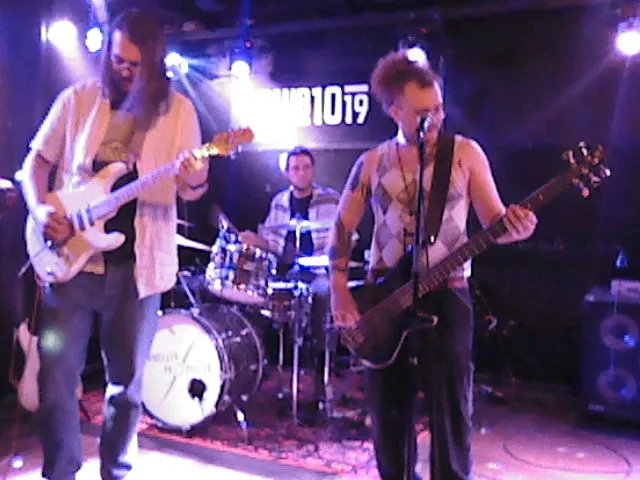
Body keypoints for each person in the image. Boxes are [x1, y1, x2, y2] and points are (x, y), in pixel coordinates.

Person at [328, 50, 537, 480]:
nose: (435, 119)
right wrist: (339, 289)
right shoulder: (372, 162)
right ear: (395, 111)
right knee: (389, 411)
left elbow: (494, 220)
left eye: (439, 109)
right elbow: (343, 225)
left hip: (448, 293)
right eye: (424, 113)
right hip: (385, 295)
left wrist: (516, 227)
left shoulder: (465, 154)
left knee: (450, 409)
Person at [20, 9, 209, 480]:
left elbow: (192, 189)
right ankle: (60, 471)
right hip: (71, 266)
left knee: (126, 388)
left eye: (135, 64)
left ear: (155, 60)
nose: (124, 70)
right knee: (55, 382)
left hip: (137, 272)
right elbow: (35, 164)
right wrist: (41, 211)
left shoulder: (179, 112)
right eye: (118, 59)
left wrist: (194, 175)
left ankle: (117, 471)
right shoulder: (77, 99)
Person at [239, 146, 348, 421]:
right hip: (288, 273)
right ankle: (276, 372)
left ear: (313, 170)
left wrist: (334, 258)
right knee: (262, 299)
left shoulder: (331, 199)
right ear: (287, 173)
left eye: (306, 167)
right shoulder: (279, 202)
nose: (302, 173)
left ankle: (321, 369)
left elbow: (346, 237)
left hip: (319, 271)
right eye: (296, 169)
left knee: (322, 294)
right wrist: (254, 240)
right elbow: (272, 242)